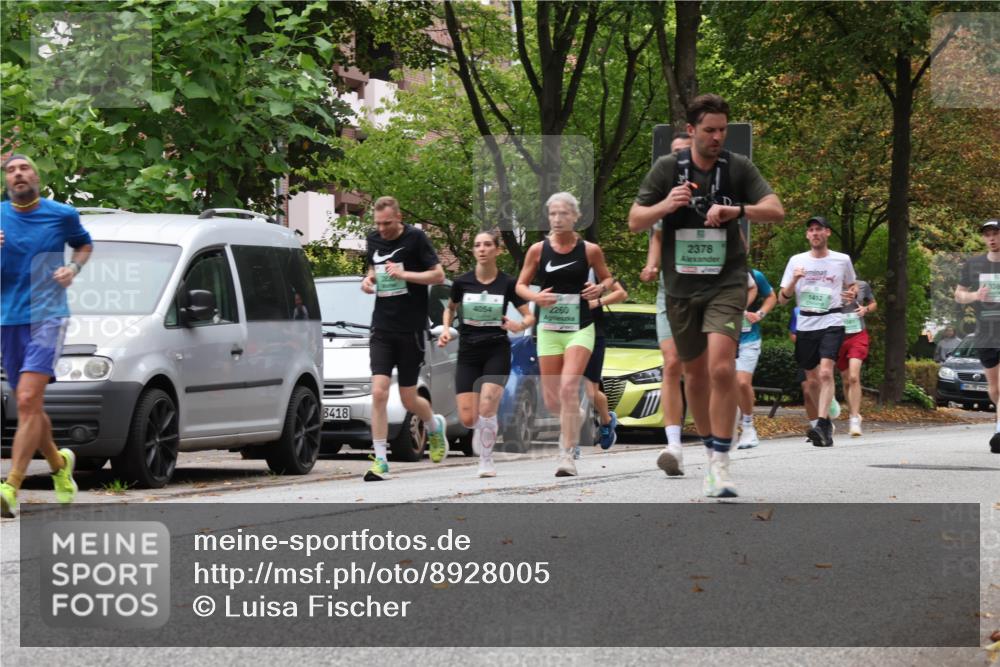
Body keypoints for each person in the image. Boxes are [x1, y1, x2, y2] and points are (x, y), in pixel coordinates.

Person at [629, 94, 785, 497]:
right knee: (694, 375)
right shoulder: (667, 169)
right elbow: (635, 220)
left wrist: (738, 211)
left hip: (726, 283)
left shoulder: (737, 168)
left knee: (720, 368)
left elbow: (776, 209)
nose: (717, 137)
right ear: (691, 130)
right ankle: (711, 448)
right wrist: (666, 204)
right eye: (709, 130)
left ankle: (720, 463)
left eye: (722, 130)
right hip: (680, 289)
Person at [0, 154, 92, 518]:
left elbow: (84, 245)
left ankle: (11, 486)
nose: (18, 174)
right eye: (11, 170)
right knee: (32, 406)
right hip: (8, 319)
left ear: (36, 176)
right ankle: (59, 464)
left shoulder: (62, 215)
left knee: (25, 399)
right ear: (6, 181)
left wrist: (73, 268)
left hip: (48, 316)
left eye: (24, 168)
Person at [516, 192, 615, 477]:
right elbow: (520, 286)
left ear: (576, 217)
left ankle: (566, 454)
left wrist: (600, 288)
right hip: (548, 329)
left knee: (569, 387)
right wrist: (536, 297)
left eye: (563, 214)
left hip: (580, 327)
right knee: (552, 401)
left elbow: (608, 278)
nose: (557, 219)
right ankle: (577, 415)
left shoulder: (590, 250)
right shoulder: (537, 250)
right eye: (553, 214)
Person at [360, 196, 447, 481]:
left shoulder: (416, 238)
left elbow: (438, 275)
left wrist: (404, 274)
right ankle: (380, 460)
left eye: (387, 223)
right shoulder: (373, 239)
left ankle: (433, 426)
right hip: (382, 327)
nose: (382, 229)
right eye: (378, 224)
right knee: (379, 392)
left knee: (409, 398)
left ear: (399, 218)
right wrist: (368, 279)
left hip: (411, 329)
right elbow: (373, 267)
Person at [438, 231, 534, 477]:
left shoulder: (507, 283)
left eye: (487, 245)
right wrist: (446, 329)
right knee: (468, 418)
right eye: (477, 245)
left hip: (496, 349)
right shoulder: (462, 282)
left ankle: (486, 459)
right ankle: (474, 428)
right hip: (468, 352)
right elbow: (450, 309)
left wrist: (518, 325)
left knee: (488, 405)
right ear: (473, 251)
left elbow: (529, 316)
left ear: (497, 250)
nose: (482, 249)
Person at [778, 215, 856, 448]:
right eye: (811, 230)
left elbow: (852, 284)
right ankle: (826, 421)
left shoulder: (842, 260)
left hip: (832, 319)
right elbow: (782, 299)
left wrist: (852, 293)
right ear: (807, 235)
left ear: (827, 233)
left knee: (825, 372)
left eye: (819, 229)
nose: (815, 233)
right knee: (811, 382)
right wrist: (794, 279)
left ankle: (821, 423)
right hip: (806, 323)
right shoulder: (796, 261)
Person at [639, 132, 691, 473]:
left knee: (703, 370)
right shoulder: (665, 200)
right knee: (671, 363)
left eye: (684, 151)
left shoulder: (717, 192)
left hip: (707, 294)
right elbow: (656, 237)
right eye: (674, 153)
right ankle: (674, 446)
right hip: (669, 291)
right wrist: (651, 265)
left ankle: (718, 441)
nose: (679, 158)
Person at [953, 218, 1000, 454]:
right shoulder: (974, 264)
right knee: (994, 388)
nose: (991, 238)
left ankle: (999, 431)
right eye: (987, 234)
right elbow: (958, 295)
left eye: (995, 233)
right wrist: (975, 296)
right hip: (985, 332)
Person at [580, 273, 629, 457]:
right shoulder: (553, 268)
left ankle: (607, 421)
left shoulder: (594, 269)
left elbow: (621, 293)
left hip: (593, 334)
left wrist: (597, 302)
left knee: (590, 391)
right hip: (562, 334)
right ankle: (570, 441)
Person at [736, 267, 777, 448]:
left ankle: (748, 427)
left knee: (742, 382)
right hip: (723, 339)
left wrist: (760, 314)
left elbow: (771, 296)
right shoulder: (715, 273)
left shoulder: (755, 275)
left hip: (749, 339)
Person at [838, 278, 877, 436]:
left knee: (854, 377)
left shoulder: (862, 285)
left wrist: (865, 309)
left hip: (857, 335)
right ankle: (854, 413)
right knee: (846, 380)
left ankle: (854, 419)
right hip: (839, 336)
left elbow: (874, 304)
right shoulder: (832, 283)